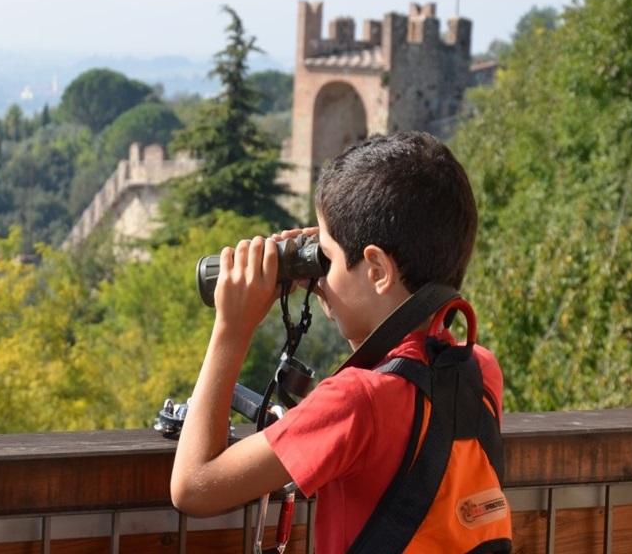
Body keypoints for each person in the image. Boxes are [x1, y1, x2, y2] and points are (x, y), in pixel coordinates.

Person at [170, 132, 506, 553]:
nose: (319, 276)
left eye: (324, 257)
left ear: (378, 269)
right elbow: (398, 377)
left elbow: (193, 487)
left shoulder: (354, 404)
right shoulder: (479, 369)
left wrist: (231, 330)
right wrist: (338, 254)